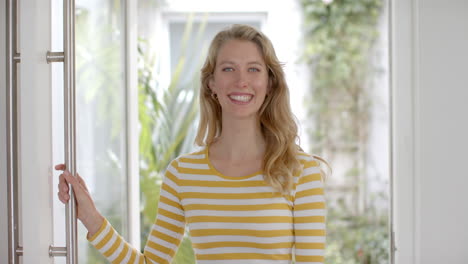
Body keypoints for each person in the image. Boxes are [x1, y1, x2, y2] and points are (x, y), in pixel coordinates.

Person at [56, 24, 327, 264]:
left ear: (269, 83)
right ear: (212, 84)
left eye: (253, 69)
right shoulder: (183, 174)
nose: (241, 81)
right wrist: (91, 219)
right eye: (228, 68)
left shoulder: (302, 171)